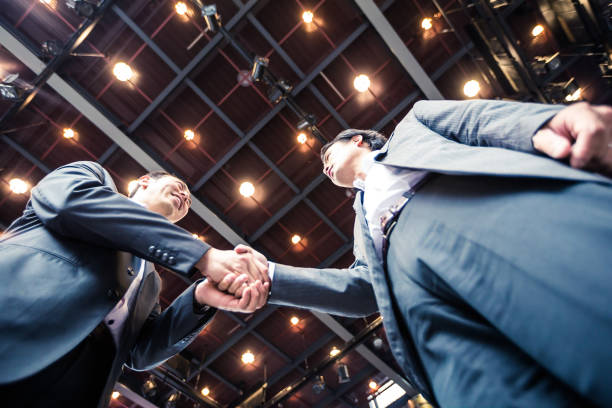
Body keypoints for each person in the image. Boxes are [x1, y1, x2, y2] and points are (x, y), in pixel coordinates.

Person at [235, 100, 612, 407]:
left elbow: (475, 120)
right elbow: (362, 288)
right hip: (413, 298)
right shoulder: (362, 217)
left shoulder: (412, 126)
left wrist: (550, 120)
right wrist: (273, 277)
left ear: (359, 141)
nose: (324, 167)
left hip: (461, 209)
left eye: (327, 155)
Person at [0, 161, 270, 407]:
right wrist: (202, 255)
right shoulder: (91, 177)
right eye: (180, 187)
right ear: (144, 181)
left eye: (188, 200)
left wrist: (200, 299)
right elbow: (71, 203)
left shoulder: (151, 282)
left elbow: (140, 354)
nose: (186, 196)